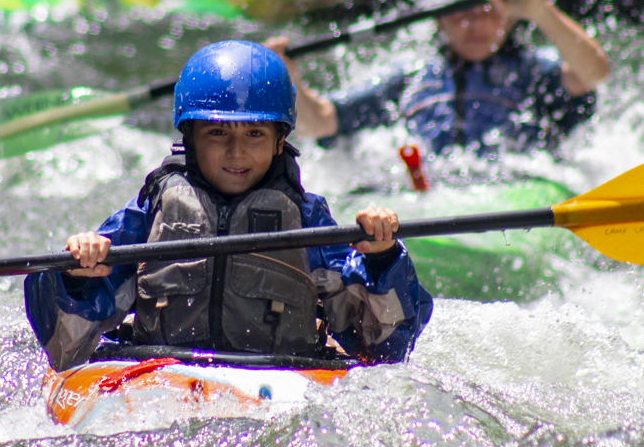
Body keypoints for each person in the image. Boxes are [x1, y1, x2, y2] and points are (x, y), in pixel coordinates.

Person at [24, 40, 434, 372]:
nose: (236, 152)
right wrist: (77, 273)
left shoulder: (308, 220)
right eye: (217, 132)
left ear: (279, 142)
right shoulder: (151, 210)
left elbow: (384, 345)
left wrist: (381, 258)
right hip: (159, 376)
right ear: (190, 137)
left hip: (277, 378)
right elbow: (66, 343)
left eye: (255, 133)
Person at [268, 0, 611, 156]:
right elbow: (322, 123)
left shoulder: (537, 69)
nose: (474, 25)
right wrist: (288, 79)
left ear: (509, 16)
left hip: (524, 185)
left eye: (486, 11)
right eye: (459, 13)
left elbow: (594, 73)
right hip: (434, 196)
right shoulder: (411, 76)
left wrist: (539, 11)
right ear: (437, 20)